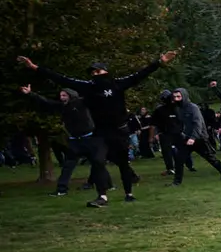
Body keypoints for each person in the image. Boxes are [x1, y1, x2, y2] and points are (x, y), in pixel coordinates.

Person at [18, 50, 178, 202]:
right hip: (100, 132)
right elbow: (61, 78)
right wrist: (34, 67)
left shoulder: (117, 84)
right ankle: (102, 196)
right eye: (92, 73)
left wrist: (159, 62)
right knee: (97, 160)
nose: (95, 74)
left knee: (123, 163)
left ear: (105, 72)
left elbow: (140, 74)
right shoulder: (88, 87)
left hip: (120, 131)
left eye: (98, 72)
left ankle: (128, 193)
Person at [20, 85, 111, 205]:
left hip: (88, 138)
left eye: (64, 95)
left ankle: (107, 185)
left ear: (71, 95)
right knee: (68, 165)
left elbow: (95, 98)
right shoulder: (62, 107)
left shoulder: (80, 103)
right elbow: (47, 102)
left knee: (97, 163)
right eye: (61, 95)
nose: (62, 98)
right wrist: (30, 94)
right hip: (74, 141)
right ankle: (61, 189)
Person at [168, 88, 221, 186]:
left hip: (199, 138)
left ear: (184, 96)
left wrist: (193, 138)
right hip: (186, 138)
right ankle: (177, 182)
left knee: (210, 158)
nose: (176, 99)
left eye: (178, 96)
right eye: (175, 97)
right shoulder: (177, 109)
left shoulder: (193, 107)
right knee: (179, 159)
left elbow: (198, 123)